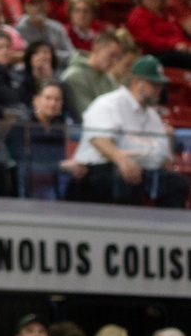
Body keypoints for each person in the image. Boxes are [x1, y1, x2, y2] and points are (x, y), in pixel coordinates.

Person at [73, 55, 189, 207]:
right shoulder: (109, 104)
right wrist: (120, 157)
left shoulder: (152, 115)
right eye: (153, 84)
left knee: (177, 183)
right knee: (124, 177)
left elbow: (164, 157)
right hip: (100, 171)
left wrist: (167, 148)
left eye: (160, 85)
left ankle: (164, 228)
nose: (159, 90)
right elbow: (99, 140)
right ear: (137, 82)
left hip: (142, 171)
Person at [62, 29, 125, 118]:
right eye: (111, 55)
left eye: (117, 57)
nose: (114, 62)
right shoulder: (74, 76)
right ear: (97, 48)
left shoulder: (109, 80)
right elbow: (87, 114)